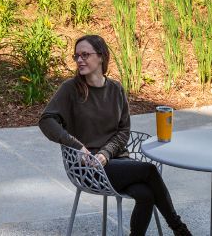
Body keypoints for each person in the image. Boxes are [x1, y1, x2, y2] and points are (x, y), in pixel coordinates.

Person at [39, 35, 191, 236]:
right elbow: (46, 120)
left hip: (117, 161)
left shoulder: (115, 89)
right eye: (76, 56)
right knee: (149, 170)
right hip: (87, 167)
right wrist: (76, 145)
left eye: (85, 55)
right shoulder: (70, 89)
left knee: (145, 194)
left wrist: (106, 153)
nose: (80, 60)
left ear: (101, 57)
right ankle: (179, 229)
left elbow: (123, 130)